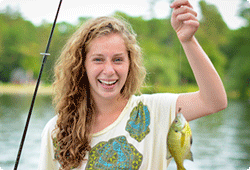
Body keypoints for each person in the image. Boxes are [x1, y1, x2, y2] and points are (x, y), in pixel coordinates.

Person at [38, 0, 227, 169]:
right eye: (98, 60)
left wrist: (188, 40)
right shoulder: (56, 131)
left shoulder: (155, 111)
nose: (109, 70)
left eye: (118, 59)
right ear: (82, 65)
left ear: (130, 64)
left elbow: (214, 101)